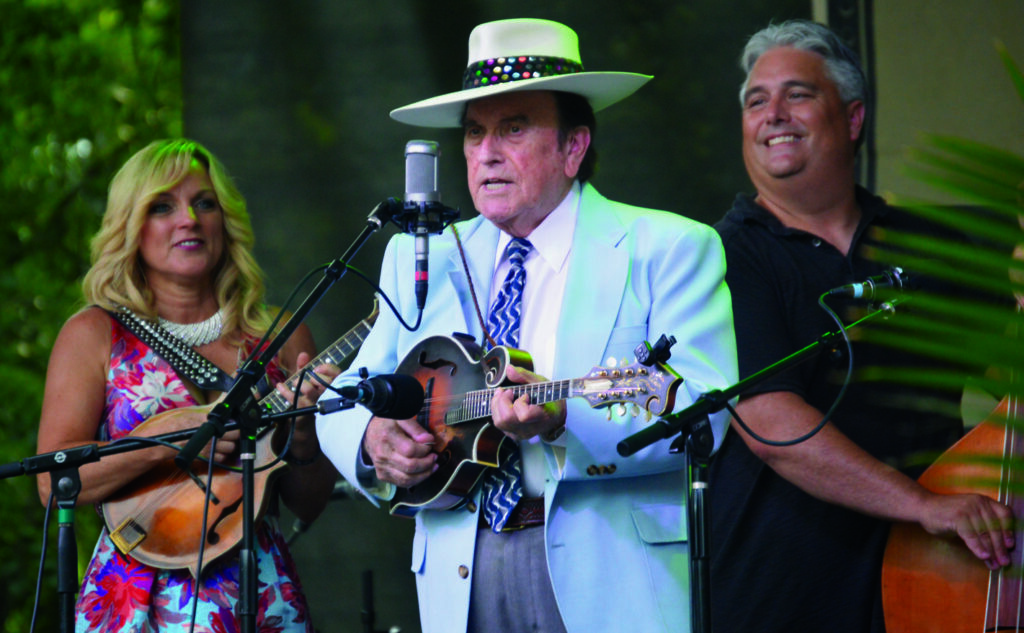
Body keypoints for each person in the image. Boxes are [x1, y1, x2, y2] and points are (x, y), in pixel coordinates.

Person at [316, 18, 737, 633]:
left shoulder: (667, 247)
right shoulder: (421, 255)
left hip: (608, 574)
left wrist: (566, 418)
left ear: (574, 147)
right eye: (474, 132)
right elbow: (340, 397)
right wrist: (372, 441)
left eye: (513, 128)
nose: (486, 152)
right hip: (462, 568)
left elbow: (708, 413)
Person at [707, 19, 1015, 632]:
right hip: (785, 588)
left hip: (939, 576)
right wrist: (922, 504)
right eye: (756, 100)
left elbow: (1011, 372)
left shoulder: (932, 244)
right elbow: (771, 425)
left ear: (852, 119)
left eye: (797, 94)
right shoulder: (723, 254)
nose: (773, 114)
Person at [36, 139, 339, 632]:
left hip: (258, 593)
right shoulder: (93, 334)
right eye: (162, 206)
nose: (189, 220)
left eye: (205, 203)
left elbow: (309, 502)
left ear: (226, 221)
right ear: (130, 228)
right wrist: (172, 445)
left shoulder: (281, 337)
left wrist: (303, 431)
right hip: (135, 599)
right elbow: (53, 481)